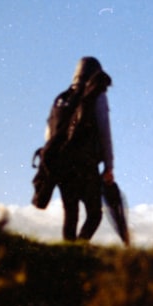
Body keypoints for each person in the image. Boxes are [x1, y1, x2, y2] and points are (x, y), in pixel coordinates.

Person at [49, 57, 115, 242]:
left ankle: (68, 256)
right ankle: (79, 249)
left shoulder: (61, 99)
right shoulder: (96, 95)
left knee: (71, 214)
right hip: (85, 164)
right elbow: (105, 131)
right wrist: (109, 166)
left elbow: (49, 133)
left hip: (61, 164)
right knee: (94, 214)